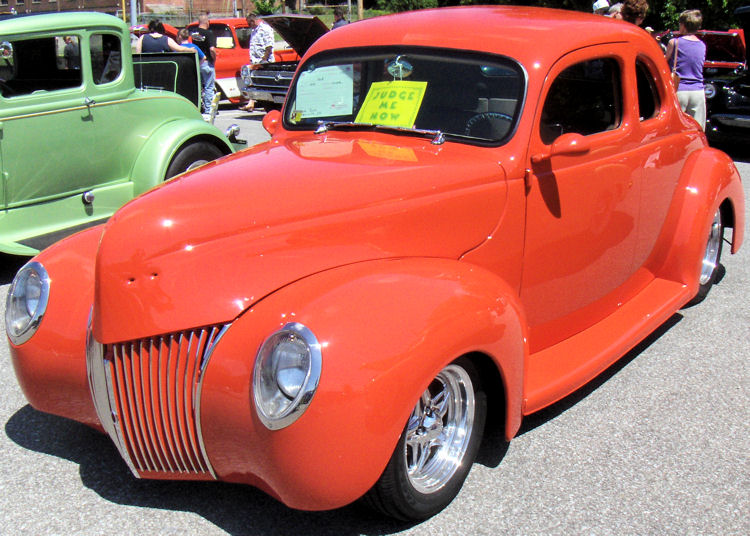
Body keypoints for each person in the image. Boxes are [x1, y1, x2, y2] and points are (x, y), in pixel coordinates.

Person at [665, 9, 706, 129]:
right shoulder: (702, 45)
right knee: (697, 129)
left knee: (676, 129)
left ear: (683, 25)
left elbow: (664, 61)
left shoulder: (675, 43)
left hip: (680, 90)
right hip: (698, 91)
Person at [241, 14, 276, 111]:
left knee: (267, 84)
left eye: (249, 23)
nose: (249, 26)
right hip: (255, 61)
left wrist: (263, 60)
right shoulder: (254, 31)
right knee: (252, 82)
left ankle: (271, 106)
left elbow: (269, 47)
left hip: (265, 62)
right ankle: (251, 103)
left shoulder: (265, 29)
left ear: (253, 21)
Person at [177, 28, 213, 111]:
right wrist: (197, 64)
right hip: (194, 71)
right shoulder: (194, 47)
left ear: (179, 36)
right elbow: (203, 57)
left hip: (183, 72)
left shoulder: (179, 48)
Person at [190, 14, 217, 115]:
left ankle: (197, 107)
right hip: (207, 62)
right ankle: (208, 109)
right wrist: (214, 58)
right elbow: (212, 49)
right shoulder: (209, 33)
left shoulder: (193, 34)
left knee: (198, 87)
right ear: (207, 22)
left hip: (196, 62)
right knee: (209, 87)